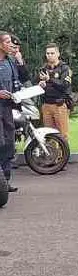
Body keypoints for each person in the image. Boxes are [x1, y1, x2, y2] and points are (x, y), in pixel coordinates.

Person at [0, 32, 22, 193]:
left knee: (8, 143)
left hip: (7, 108)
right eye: (7, 42)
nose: (10, 45)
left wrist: (20, 94)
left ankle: (5, 182)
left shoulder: (10, 61)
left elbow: (17, 82)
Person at [39, 43, 73, 141]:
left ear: (58, 54)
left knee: (62, 135)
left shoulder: (64, 68)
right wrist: (40, 84)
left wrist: (49, 79)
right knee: (49, 136)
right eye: (47, 53)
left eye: (52, 53)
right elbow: (36, 83)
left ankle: (63, 151)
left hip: (59, 105)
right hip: (46, 105)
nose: (49, 55)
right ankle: (52, 151)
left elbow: (64, 85)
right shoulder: (43, 68)